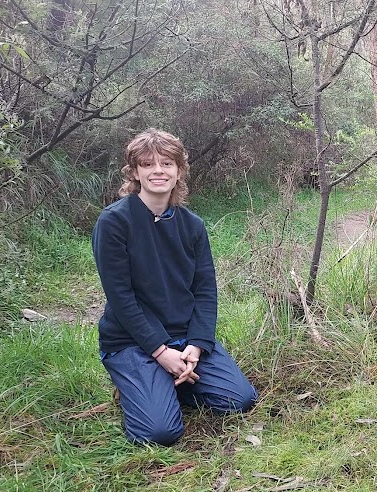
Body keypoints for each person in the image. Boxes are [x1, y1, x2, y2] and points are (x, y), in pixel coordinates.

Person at [92, 128, 257, 446]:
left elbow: (205, 291)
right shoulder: (114, 223)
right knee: (160, 433)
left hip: (185, 338)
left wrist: (196, 345)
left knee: (240, 400)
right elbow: (121, 297)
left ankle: (174, 381)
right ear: (135, 172)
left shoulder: (192, 225)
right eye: (148, 164)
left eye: (166, 163)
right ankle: (141, 383)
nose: (158, 170)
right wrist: (160, 352)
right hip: (132, 341)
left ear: (179, 170)